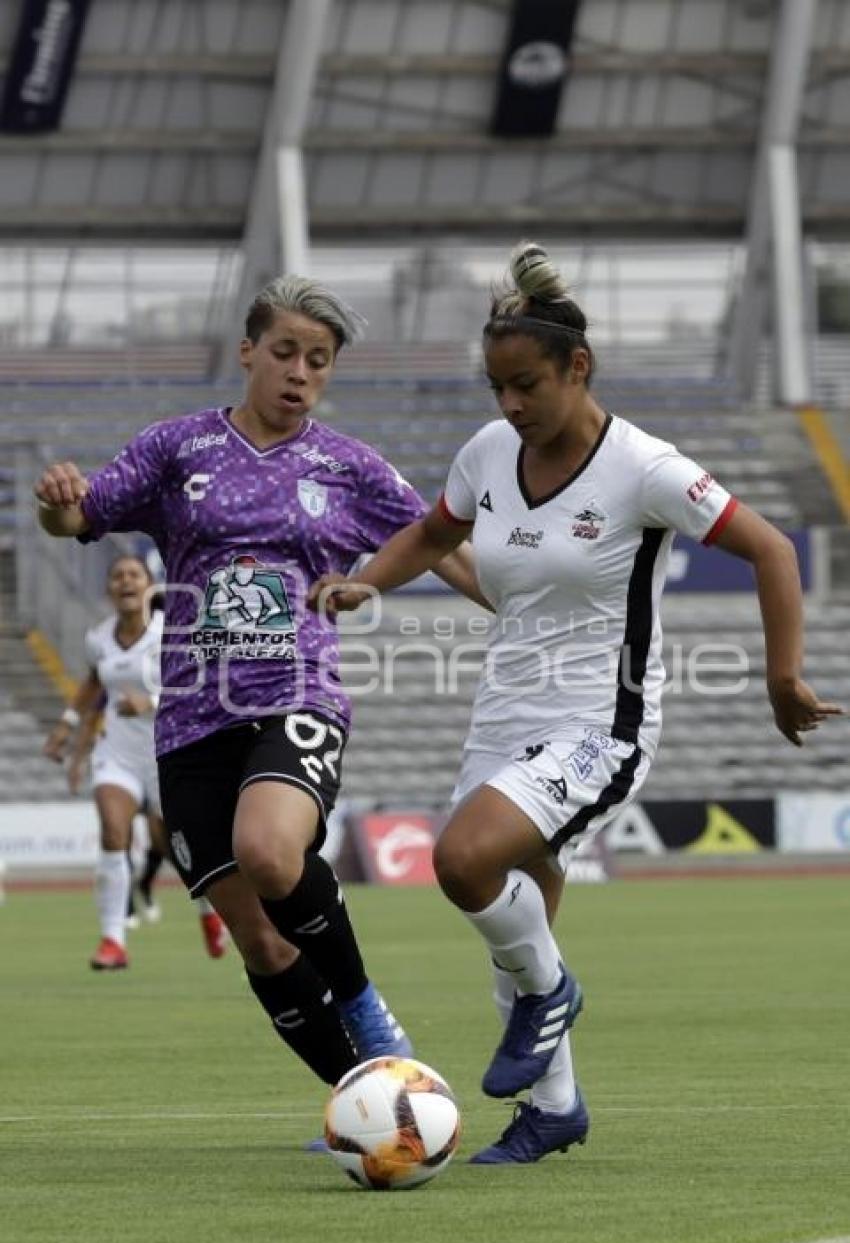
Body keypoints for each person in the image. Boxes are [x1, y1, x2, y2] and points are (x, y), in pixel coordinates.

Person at [310, 241, 843, 1162]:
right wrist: (369, 582)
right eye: (497, 388)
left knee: (465, 863)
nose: (511, 406)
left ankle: (553, 998)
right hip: (503, 713)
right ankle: (554, 1109)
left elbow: (773, 549)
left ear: (577, 368)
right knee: (513, 927)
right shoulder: (489, 452)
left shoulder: (645, 467)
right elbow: (436, 529)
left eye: (526, 385)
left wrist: (781, 676)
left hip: (604, 719)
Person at [35, 274, 488, 1091]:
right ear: (248, 351)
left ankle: (362, 1002)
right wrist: (58, 505)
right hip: (189, 721)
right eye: (286, 352)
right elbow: (82, 517)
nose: (301, 372)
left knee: (269, 852)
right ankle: (368, 1098)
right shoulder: (177, 449)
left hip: (295, 694)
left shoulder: (349, 468)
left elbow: (442, 542)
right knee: (258, 936)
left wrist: (523, 607)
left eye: (319, 361)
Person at [44, 554, 228, 967]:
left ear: (149, 585)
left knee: (181, 848)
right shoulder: (99, 637)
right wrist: (69, 726)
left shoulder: (171, 633)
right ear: (109, 587)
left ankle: (208, 911)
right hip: (117, 751)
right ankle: (113, 940)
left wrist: (152, 700)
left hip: (168, 751)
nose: (125, 581)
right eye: (117, 575)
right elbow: (94, 680)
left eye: (134, 575)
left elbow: (204, 683)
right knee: (113, 831)